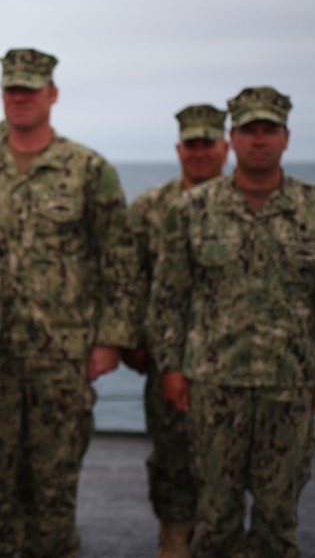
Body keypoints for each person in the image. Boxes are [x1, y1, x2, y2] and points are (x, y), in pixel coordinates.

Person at [0, 48, 136, 558]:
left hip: (62, 356)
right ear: (3, 95)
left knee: (53, 489)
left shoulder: (88, 170)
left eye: (31, 90)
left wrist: (111, 340)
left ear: (52, 94)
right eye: (13, 90)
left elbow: (117, 257)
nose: (21, 98)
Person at [150, 86, 315, 557]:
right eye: (249, 131)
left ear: (287, 139)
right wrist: (170, 367)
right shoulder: (192, 210)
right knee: (216, 519)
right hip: (214, 386)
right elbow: (170, 298)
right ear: (233, 139)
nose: (259, 140)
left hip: (289, 386)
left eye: (269, 130)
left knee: (278, 519)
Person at [125, 104, 228, 558]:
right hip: (170, 357)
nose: (199, 152)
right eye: (192, 144)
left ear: (225, 147)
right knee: (171, 456)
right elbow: (127, 277)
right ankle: (175, 535)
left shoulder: (244, 203)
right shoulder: (150, 208)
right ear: (178, 149)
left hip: (235, 358)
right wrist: (131, 340)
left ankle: (223, 536)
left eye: (208, 143)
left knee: (231, 459)